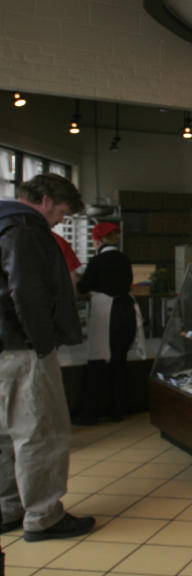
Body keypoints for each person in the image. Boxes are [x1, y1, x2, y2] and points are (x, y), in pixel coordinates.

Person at [0, 173, 96, 541]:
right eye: (62, 212)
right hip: (21, 348)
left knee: (4, 433)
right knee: (39, 429)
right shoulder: (25, 227)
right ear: (44, 200)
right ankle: (43, 515)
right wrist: (42, 343)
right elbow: (26, 289)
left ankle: (9, 507)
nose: (60, 221)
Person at [74, 221, 143, 425]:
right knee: (119, 361)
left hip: (106, 313)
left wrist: (79, 279)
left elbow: (84, 286)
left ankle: (91, 414)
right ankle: (118, 410)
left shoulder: (97, 262)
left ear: (97, 241)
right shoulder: (124, 258)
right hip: (126, 311)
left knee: (98, 361)